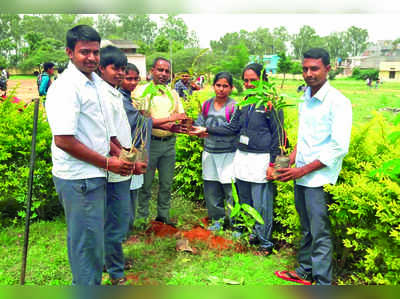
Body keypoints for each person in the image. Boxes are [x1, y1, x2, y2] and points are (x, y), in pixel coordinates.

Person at [45, 25, 136, 286]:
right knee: (86, 247)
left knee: (95, 242)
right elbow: (63, 140)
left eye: (95, 52)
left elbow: (103, 133)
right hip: (78, 179)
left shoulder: (95, 83)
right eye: (84, 52)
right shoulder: (66, 87)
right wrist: (108, 162)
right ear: (69, 53)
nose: (92, 58)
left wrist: (124, 157)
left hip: (95, 175)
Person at [274, 48, 352, 285]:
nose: (308, 73)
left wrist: (302, 169)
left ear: (328, 69)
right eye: (305, 69)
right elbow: (306, 136)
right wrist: (291, 159)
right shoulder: (305, 97)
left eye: (314, 68)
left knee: (320, 233)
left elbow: (339, 147)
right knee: (307, 228)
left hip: (319, 179)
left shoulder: (338, 102)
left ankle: (323, 282)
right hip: (302, 176)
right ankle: (305, 270)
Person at [192, 63, 283, 255]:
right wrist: (206, 129)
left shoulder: (271, 103)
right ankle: (252, 234)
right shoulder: (244, 102)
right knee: (245, 200)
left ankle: (265, 243)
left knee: (262, 203)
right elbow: (231, 128)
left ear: (263, 80)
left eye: (253, 80)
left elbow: (278, 136)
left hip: (261, 159)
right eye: (246, 80)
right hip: (242, 156)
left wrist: (273, 163)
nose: (249, 84)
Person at [97, 45, 147, 285]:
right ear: (101, 68)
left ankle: (112, 263)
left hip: (122, 165)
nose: (119, 73)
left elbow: (115, 135)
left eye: (122, 68)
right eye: (114, 68)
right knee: (115, 221)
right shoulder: (102, 96)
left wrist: (131, 160)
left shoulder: (115, 93)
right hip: (113, 168)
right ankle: (115, 272)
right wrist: (122, 159)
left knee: (117, 220)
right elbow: (105, 136)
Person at [133, 57, 187, 226]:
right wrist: (170, 119)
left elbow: (180, 117)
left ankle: (163, 217)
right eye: (160, 70)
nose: (163, 74)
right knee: (145, 184)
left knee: (166, 183)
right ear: (152, 71)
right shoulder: (141, 91)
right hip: (149, 144)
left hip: (169, 144)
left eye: (167, 71)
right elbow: (143, 120)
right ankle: (142, 218)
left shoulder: (173, 94)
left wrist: (178, 126)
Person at [194, 72, 237, 230]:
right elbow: (200, 122)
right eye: (218, 85)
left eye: (225, 86)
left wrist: (207, 129)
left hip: (228, 154)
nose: (221, 89)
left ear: (231, 88)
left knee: (231, 191)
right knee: (211, 188)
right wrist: (198, 130)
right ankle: (216, 221)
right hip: (209, 152)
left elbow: (232, 129)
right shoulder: (206, 105)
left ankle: (235, 224)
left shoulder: (234, 107)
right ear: (213, 86)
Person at [118, 63, 152, 230]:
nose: (132, 82)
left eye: (135, 79)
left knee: (132, 193)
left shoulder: (129, 98)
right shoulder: (120, 99)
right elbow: (137, 122)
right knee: (126, 195)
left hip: (134, 151)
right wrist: (164, 119)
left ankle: (127, 229)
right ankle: (124, 231)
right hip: (125, 152)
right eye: (128, 78)